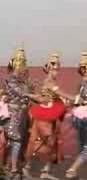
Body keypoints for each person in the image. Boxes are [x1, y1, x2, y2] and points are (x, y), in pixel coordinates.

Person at [23, 53, 65, 179]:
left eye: (58, 69)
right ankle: (29, 167)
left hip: (49, 115)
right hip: (44, 116)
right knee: (45, 141)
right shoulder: (48, 82)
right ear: (49, 69)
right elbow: (60, 93)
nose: (56, 72)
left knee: (49, 142)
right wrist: (75, 98)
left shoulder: (50, 82)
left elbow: (44, 97)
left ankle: (44, 171)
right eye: (54, 69)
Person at [3, 47, 34, 179]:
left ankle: (12, 167)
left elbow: (26, 97)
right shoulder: (11, 81)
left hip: (22, 114)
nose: (24, 68)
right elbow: (21, 94)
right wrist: (33, 95)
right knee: (15, 141)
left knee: (19, 141)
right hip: (12, 114)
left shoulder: (23, 82)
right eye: (22, 64)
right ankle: (12, 169)